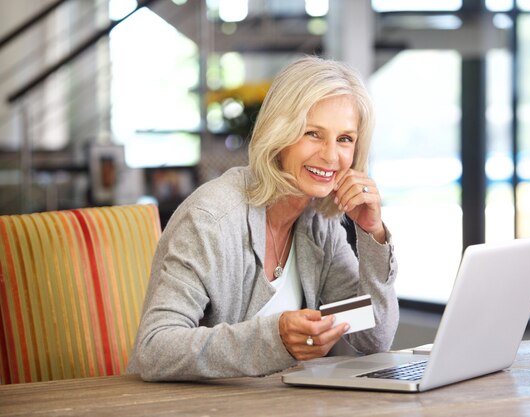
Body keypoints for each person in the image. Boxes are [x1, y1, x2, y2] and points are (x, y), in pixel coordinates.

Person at [127, 55, 399, 381]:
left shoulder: (319, 223)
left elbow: (373, 337)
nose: (331, 155)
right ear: (279, 132)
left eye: (344, 139)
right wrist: (275, 338)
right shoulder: (211, 219)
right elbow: (154, 349)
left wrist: (373, 235)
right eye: (313, 133)